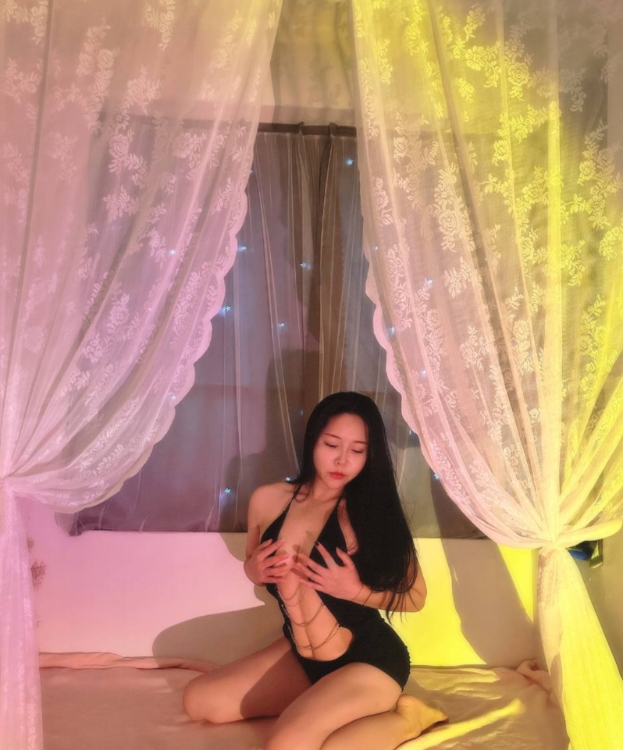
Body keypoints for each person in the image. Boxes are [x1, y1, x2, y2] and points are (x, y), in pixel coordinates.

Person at [183, 391, 446, 749]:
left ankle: (409, 717)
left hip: (368, 660)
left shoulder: (371, 513)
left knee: (289, 746)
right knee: (199, 700)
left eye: (357, 450)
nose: (342, 460)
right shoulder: (268, 500)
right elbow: (253, 563)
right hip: (302, 657)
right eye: (331, 444)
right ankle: (320, 699)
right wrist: (254, 571)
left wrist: (355, 591)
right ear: (312, 442)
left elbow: (416, 598)